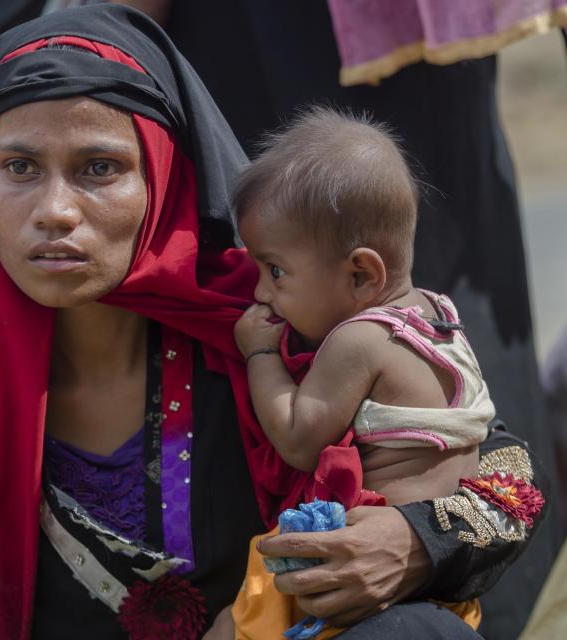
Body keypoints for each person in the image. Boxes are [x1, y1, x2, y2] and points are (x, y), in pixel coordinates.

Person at [0, 6, 550, 639]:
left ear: (167, 185)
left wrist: (412, 537)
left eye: (99, 168)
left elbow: (505, 475)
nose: (54, 211)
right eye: (20, 167)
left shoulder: (280, 330)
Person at [229, 108, 546, 639]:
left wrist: (260, 353)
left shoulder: (358, 341)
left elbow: (298, 438)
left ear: (361, 274)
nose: (261, 292)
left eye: (275, 271)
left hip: (358, 575)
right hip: (442, 578)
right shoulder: (436, 315)